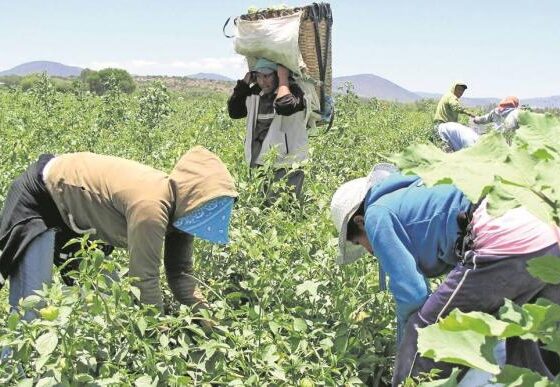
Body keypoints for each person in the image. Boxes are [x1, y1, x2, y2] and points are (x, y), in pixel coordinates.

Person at [330, 163, 560, 386]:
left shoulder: (376, 215)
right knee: (531, 342)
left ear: (360, 222)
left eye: (361, 243)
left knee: (425, 335)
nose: (370, 252)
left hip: (506, 239)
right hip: (545, 231)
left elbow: (412, 296)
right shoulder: (410, 191)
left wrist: (404, 348)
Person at [0, 146, 237, 321]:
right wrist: (157, 338)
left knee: (104, 304)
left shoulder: (183, 213)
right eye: (206, 208)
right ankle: (15, 370)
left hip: (75, 217)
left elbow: (180, 272)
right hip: (41, 197)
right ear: (193, 195)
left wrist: (209, 320)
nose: (204, 217)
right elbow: (144, 279)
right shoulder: (151, 207)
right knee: (29, 309)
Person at [228, 57, 308, 202]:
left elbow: (285, 106)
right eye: (258, 76)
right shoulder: (255, 93)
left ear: (277, 74)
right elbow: (234, 111)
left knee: (283, 210)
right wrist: (245, 82)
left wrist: (283, 79)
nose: (262, 81)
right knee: (262, 207)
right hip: (260, 162)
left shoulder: (294, 91)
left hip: (287, 164)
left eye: (267, 76)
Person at [433, 81, 479, 151]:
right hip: (444, 127)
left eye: (462, 91)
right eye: (459, 89)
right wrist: (469, 113)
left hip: (439, 127)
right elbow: (455, 107)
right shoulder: (452, 97)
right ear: (454, 89)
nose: (461, 92)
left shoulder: (447, 95)